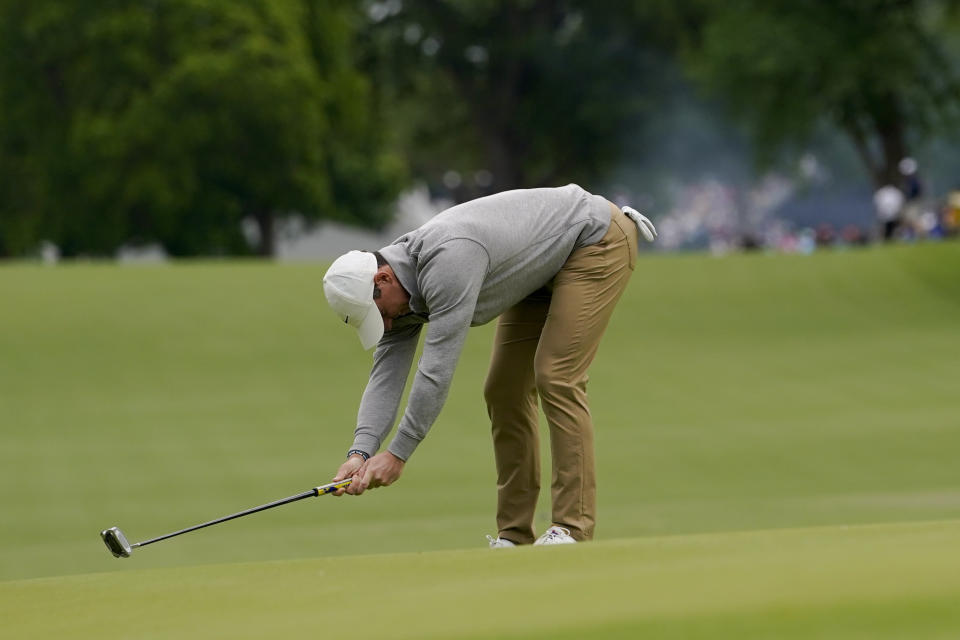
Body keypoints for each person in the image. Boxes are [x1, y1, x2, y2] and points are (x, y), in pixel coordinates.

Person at [322, 184, 656, 547]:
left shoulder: (448, 260)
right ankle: (515, 536)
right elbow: (386, 375)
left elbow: (436, 370)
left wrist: (399, 453)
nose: (385, 325)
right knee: (504, 389)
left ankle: (571, 528)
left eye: (380, 314)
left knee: (556, 375)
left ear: (382, 279)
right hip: (541, 268)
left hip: (595, 240)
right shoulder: (397, 290)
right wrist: (360, 453)